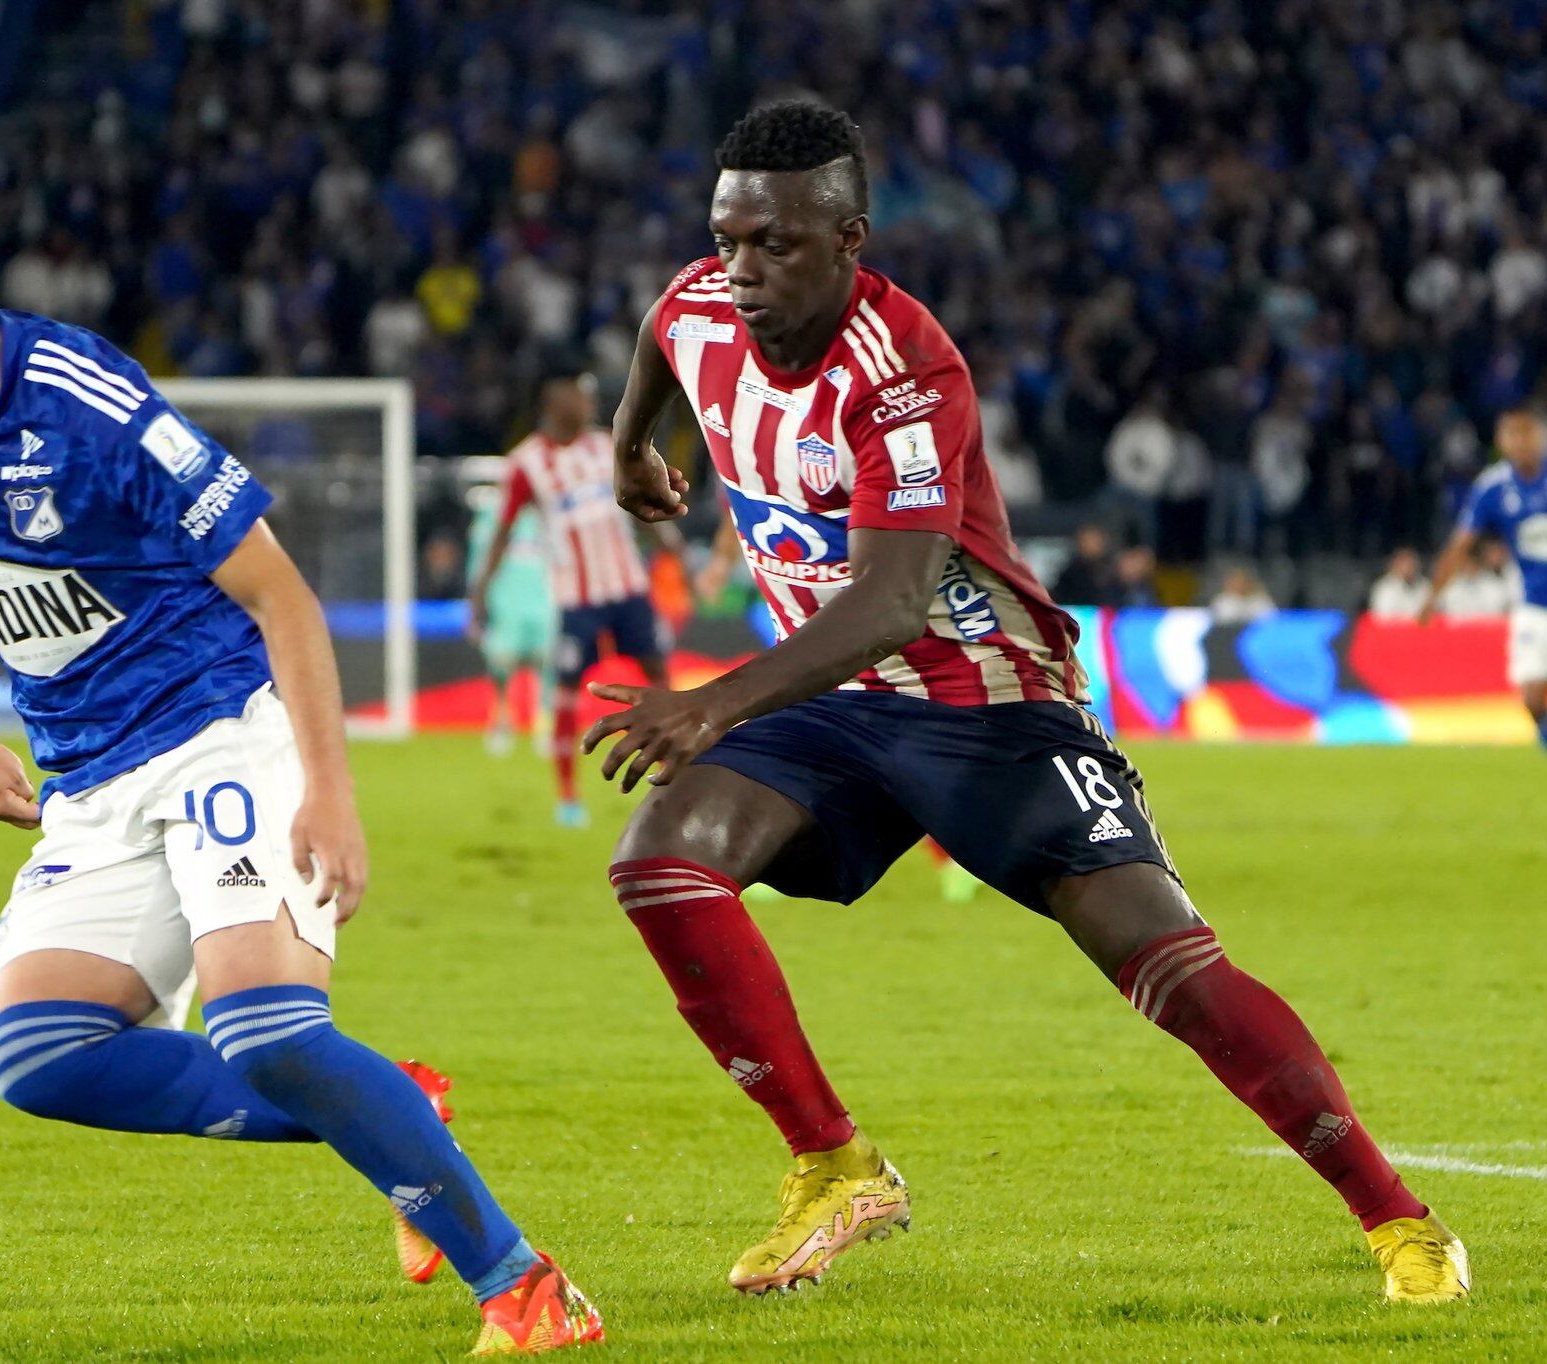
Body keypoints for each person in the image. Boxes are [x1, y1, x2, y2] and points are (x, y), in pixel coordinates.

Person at [587, 99, 1465, 1303]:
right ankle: (833, 1162)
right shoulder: (699, 304)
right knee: (660, 860)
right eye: (727, 236)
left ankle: (1398, 1219)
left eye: (774, 245)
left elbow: (894, 603)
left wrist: (713, 702)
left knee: (1166, 965)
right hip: (835, 701)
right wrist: (632, 444)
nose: (739, 269)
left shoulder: (903, 377)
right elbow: (660, 330)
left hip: (985, 700)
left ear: (849, 239)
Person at [0, 137, 599, 1356]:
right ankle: (396, 1106)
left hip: (221, 734)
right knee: (36, 1053)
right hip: (90, 778)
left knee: (263, 1030)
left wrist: (327, 794)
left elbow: (284, 597)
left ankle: (524, 1287)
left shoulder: (91, 408)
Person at [469, 359, 680, 828]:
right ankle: (567, 796)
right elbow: (503, 529)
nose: (588, 402)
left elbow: (644, 500)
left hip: (627, 587)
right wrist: (481, 591)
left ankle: (676, 773)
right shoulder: (527, 464)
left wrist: (671, 546)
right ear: (552, 399)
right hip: (576, 598)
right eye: (578, 393)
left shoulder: (607, 446)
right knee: (565, 693)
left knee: (659, 678)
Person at [1422, 406, 1547, 751]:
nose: (1520, 442)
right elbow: (1461, 543)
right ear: (1501, 441)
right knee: (1532, 696)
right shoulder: (1493, 487)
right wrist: (1434, 595)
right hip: (1534, 604)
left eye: (1526, 433)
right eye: (1512, 434)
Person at [463, 483, 557, 757]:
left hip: (544, 604)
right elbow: (478, 562)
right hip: (506, 605)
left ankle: (546, 725)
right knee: (501, 663)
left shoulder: (549, 514)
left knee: (548, 665)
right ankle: (501, 720)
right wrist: (476, 603)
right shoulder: (493, 516)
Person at [1367, 548, 1431, 620]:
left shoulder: (1425, 585)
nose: (1409, 567)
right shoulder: (1383, 588)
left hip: (1421, 629)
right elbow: (1380, 618)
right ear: (1395, 565)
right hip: (1392, 629)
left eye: (1412, 563)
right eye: (1404, 563)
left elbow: (1433, 612)